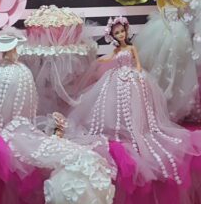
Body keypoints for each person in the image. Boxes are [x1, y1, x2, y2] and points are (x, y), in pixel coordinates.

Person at [68, 17, 190, 183]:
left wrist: (138, 72)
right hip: (118, 76)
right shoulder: (117, 52)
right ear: (113, 35)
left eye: (122, 31)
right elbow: (109, 57)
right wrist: (101, 59)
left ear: (126, 31)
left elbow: (137, 62)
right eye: (116, 33)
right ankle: (121, 125)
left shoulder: (131, 47)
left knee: (137, 102)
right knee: (113, 102)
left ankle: (137, 125)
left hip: (132, 75)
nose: (120, 34)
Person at [135, 0, 200, 122]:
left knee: (178, 63)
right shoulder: (163, 8)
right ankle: (160, 100)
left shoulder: (177, 8)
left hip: (178, 32)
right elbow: (164, 19)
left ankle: (174, 100)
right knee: (162, 61)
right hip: (166, 32)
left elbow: (182, 17)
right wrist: (170, 28)